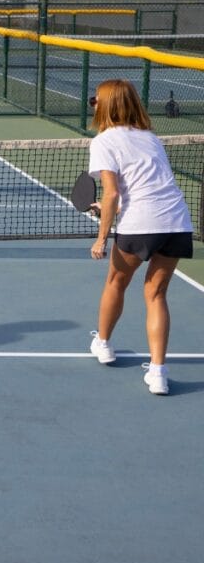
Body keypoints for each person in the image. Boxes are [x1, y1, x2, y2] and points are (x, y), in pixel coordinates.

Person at [86, 79, 193, 396]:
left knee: (116, 282)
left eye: (96, 100)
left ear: (106, 105)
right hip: (176, 222)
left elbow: (113, 193)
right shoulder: (151, 138)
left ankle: (103, 343)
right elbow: (142, 184)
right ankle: (158, 373)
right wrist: (106, 207)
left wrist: (101, 238)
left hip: (140, 224)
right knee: (156, 295)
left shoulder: (103, 141)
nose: (93, 103)